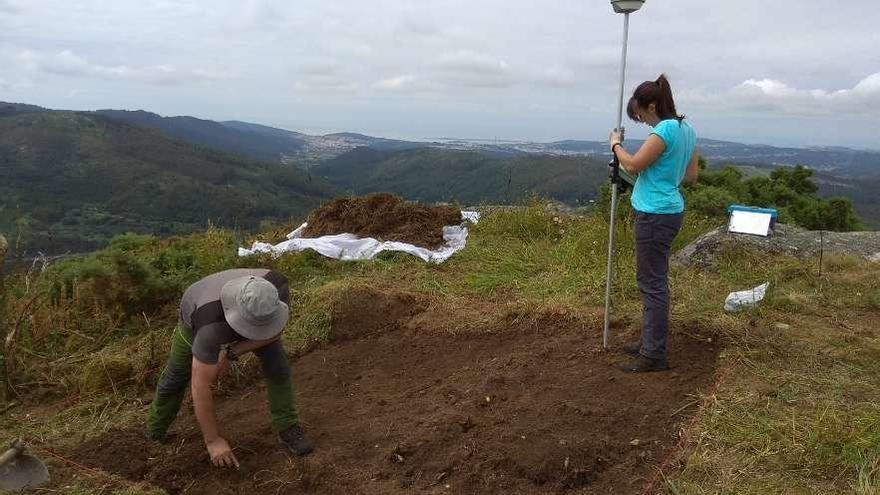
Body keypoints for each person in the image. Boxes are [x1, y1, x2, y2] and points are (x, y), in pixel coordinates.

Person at [146, 268, 313, 467]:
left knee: (278, 367)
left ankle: (288, 427)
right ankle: (154, 432)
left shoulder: (276, 286)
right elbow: (200, 386)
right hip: (196, 314)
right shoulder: (209, 325)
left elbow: (276, 330)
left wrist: (231, 352)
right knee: (174, 379)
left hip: (253, 315)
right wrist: (213, 441)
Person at [609, 74, 699, 373]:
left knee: (652, 284)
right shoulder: (688, 129)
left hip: (654, 213)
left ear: (651, 105)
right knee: (654, 280)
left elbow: (632, 164)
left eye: (641, 114)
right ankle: (650, 341)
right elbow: (690, 176)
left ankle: (653, 354)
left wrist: (615, 145)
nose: (643, 122)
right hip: (670, 210)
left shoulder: (664, 130)